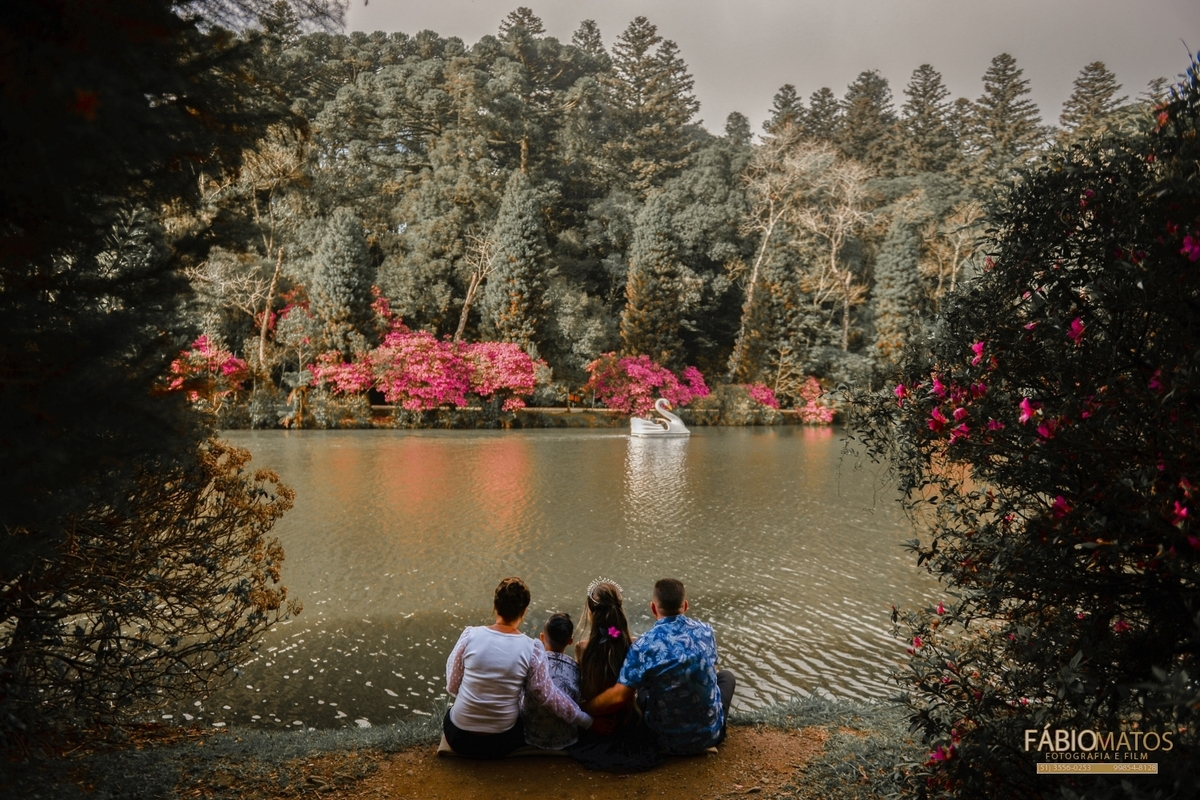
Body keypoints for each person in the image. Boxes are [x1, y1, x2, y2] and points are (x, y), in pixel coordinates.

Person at [444, 577, 593, 757]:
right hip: (502, 742)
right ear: (524, 610)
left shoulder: (470, 635)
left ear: (495, 605)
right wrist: (586, 720)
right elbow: (547, 696)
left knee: (451, 713)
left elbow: (453, 687)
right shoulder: (532, 648)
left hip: (460, 739)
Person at [584, 578, 735, 755]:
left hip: (665, 741)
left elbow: (619, 697)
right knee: (726, 676)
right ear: (685, 605)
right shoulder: (706, 631)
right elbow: (712, 672)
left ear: (653, 608)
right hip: (711, 735)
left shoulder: (644, 645)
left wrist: (584, 709)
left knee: (642, 685)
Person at [521, 612, 581, 750]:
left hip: (532, 736)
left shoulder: (533, 664)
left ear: (542, 637)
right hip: (566, 740)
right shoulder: (576, 669)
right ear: (570, 641)